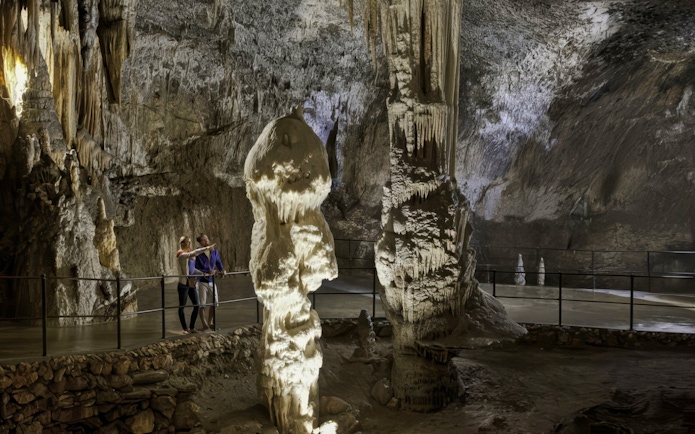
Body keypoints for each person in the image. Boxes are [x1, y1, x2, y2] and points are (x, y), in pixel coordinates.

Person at [175, 236, 214, 334]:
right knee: (182, 306)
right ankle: (185, 329)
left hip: (191, 283)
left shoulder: (189, 255)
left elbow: (192, 270)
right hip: (183, 284)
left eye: (190, 242)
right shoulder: (181, 254)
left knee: (197, 304)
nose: (189, 244)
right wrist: (206, 248)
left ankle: (191, 327)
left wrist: (203, 274)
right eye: (188, 242)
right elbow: (193, 253)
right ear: (183, 243)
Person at [194, 234, 225, 331]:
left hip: (212, 280)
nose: (206, 241)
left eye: (206, 239)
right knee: (202, 304)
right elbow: (194, 267)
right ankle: (204, 324)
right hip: (201, 281)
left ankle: (210, 321)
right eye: (203, 240)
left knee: (215, 302)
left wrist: (221, 270)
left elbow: (218, 262)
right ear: (200, 242)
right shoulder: (198, 253)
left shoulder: (214, 251)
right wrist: (205, 272)